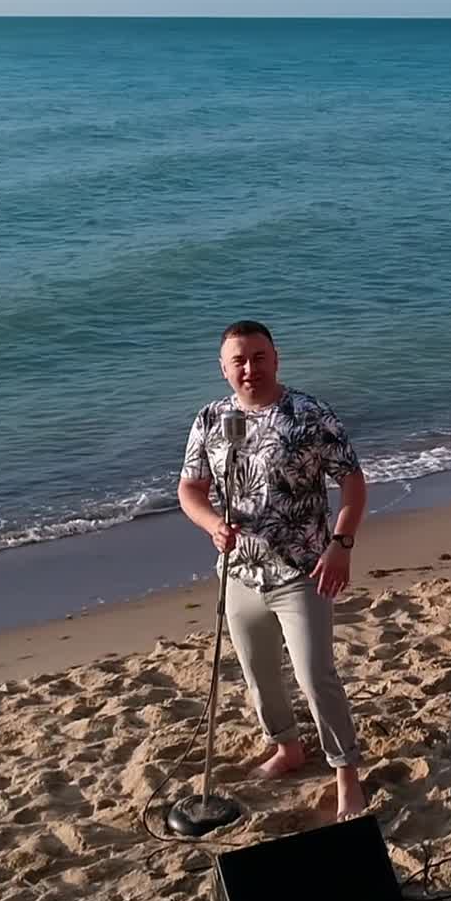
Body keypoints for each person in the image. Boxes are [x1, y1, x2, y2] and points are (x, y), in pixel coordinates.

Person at [177, 320, 368, 821]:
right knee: (258, 673)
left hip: (303, 570)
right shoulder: (211, 419)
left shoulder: (309, 414)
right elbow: (190, 490)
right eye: (238, 361)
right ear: (223, 368)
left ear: (276, 358)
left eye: (258, 357)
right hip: (239, 572)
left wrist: (342, 545)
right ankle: (287, 747)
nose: (250, 368)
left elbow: (352, 482)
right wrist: (212, 525)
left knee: (315, 676)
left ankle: (346, 773)